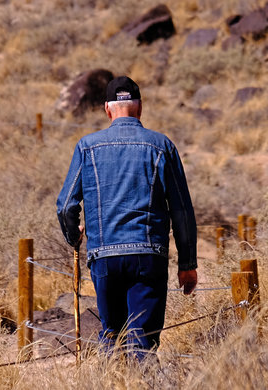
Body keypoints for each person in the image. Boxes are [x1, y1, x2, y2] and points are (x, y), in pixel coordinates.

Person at [56, 76, 198, 357]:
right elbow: (181, 210)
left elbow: (65, 206)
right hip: (149, 255)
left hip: (105, 258)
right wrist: (187, 264)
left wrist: (75, 237)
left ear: (107, 109)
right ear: (140, 108)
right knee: (142, 344)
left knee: (112, 337)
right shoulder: (162, 146)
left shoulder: (88, 146)